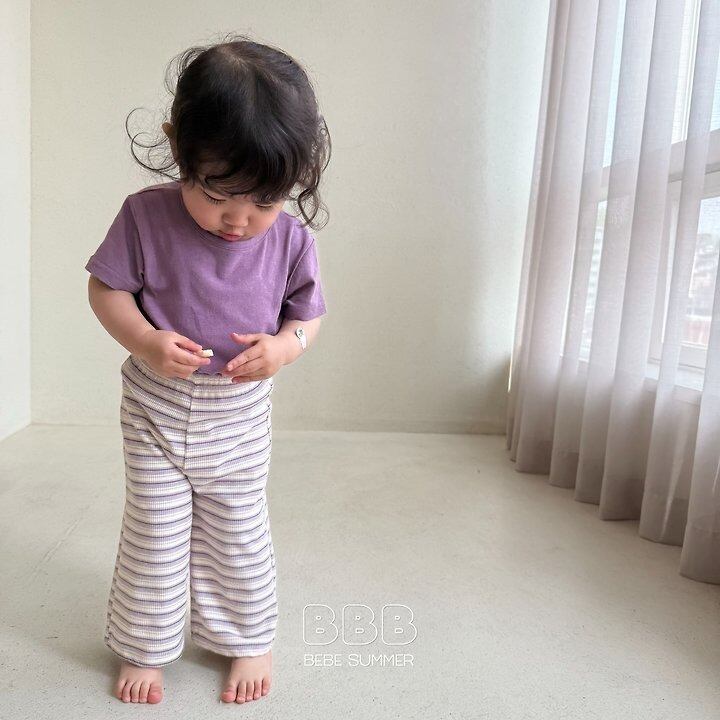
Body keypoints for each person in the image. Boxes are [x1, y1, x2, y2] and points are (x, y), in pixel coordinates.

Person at [85, 34, 330, 705]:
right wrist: (144, 340)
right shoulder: (145, 216)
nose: (239, 219)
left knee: (238, 531)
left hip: (239, 415)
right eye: (218, 191)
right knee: (155, 532)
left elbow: (307, 316)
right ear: (180, 148)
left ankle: (248, 637)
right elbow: (105, 289)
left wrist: (285, 348)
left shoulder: (291, 240)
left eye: (265, 201)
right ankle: (145, 645)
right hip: (157, 409)